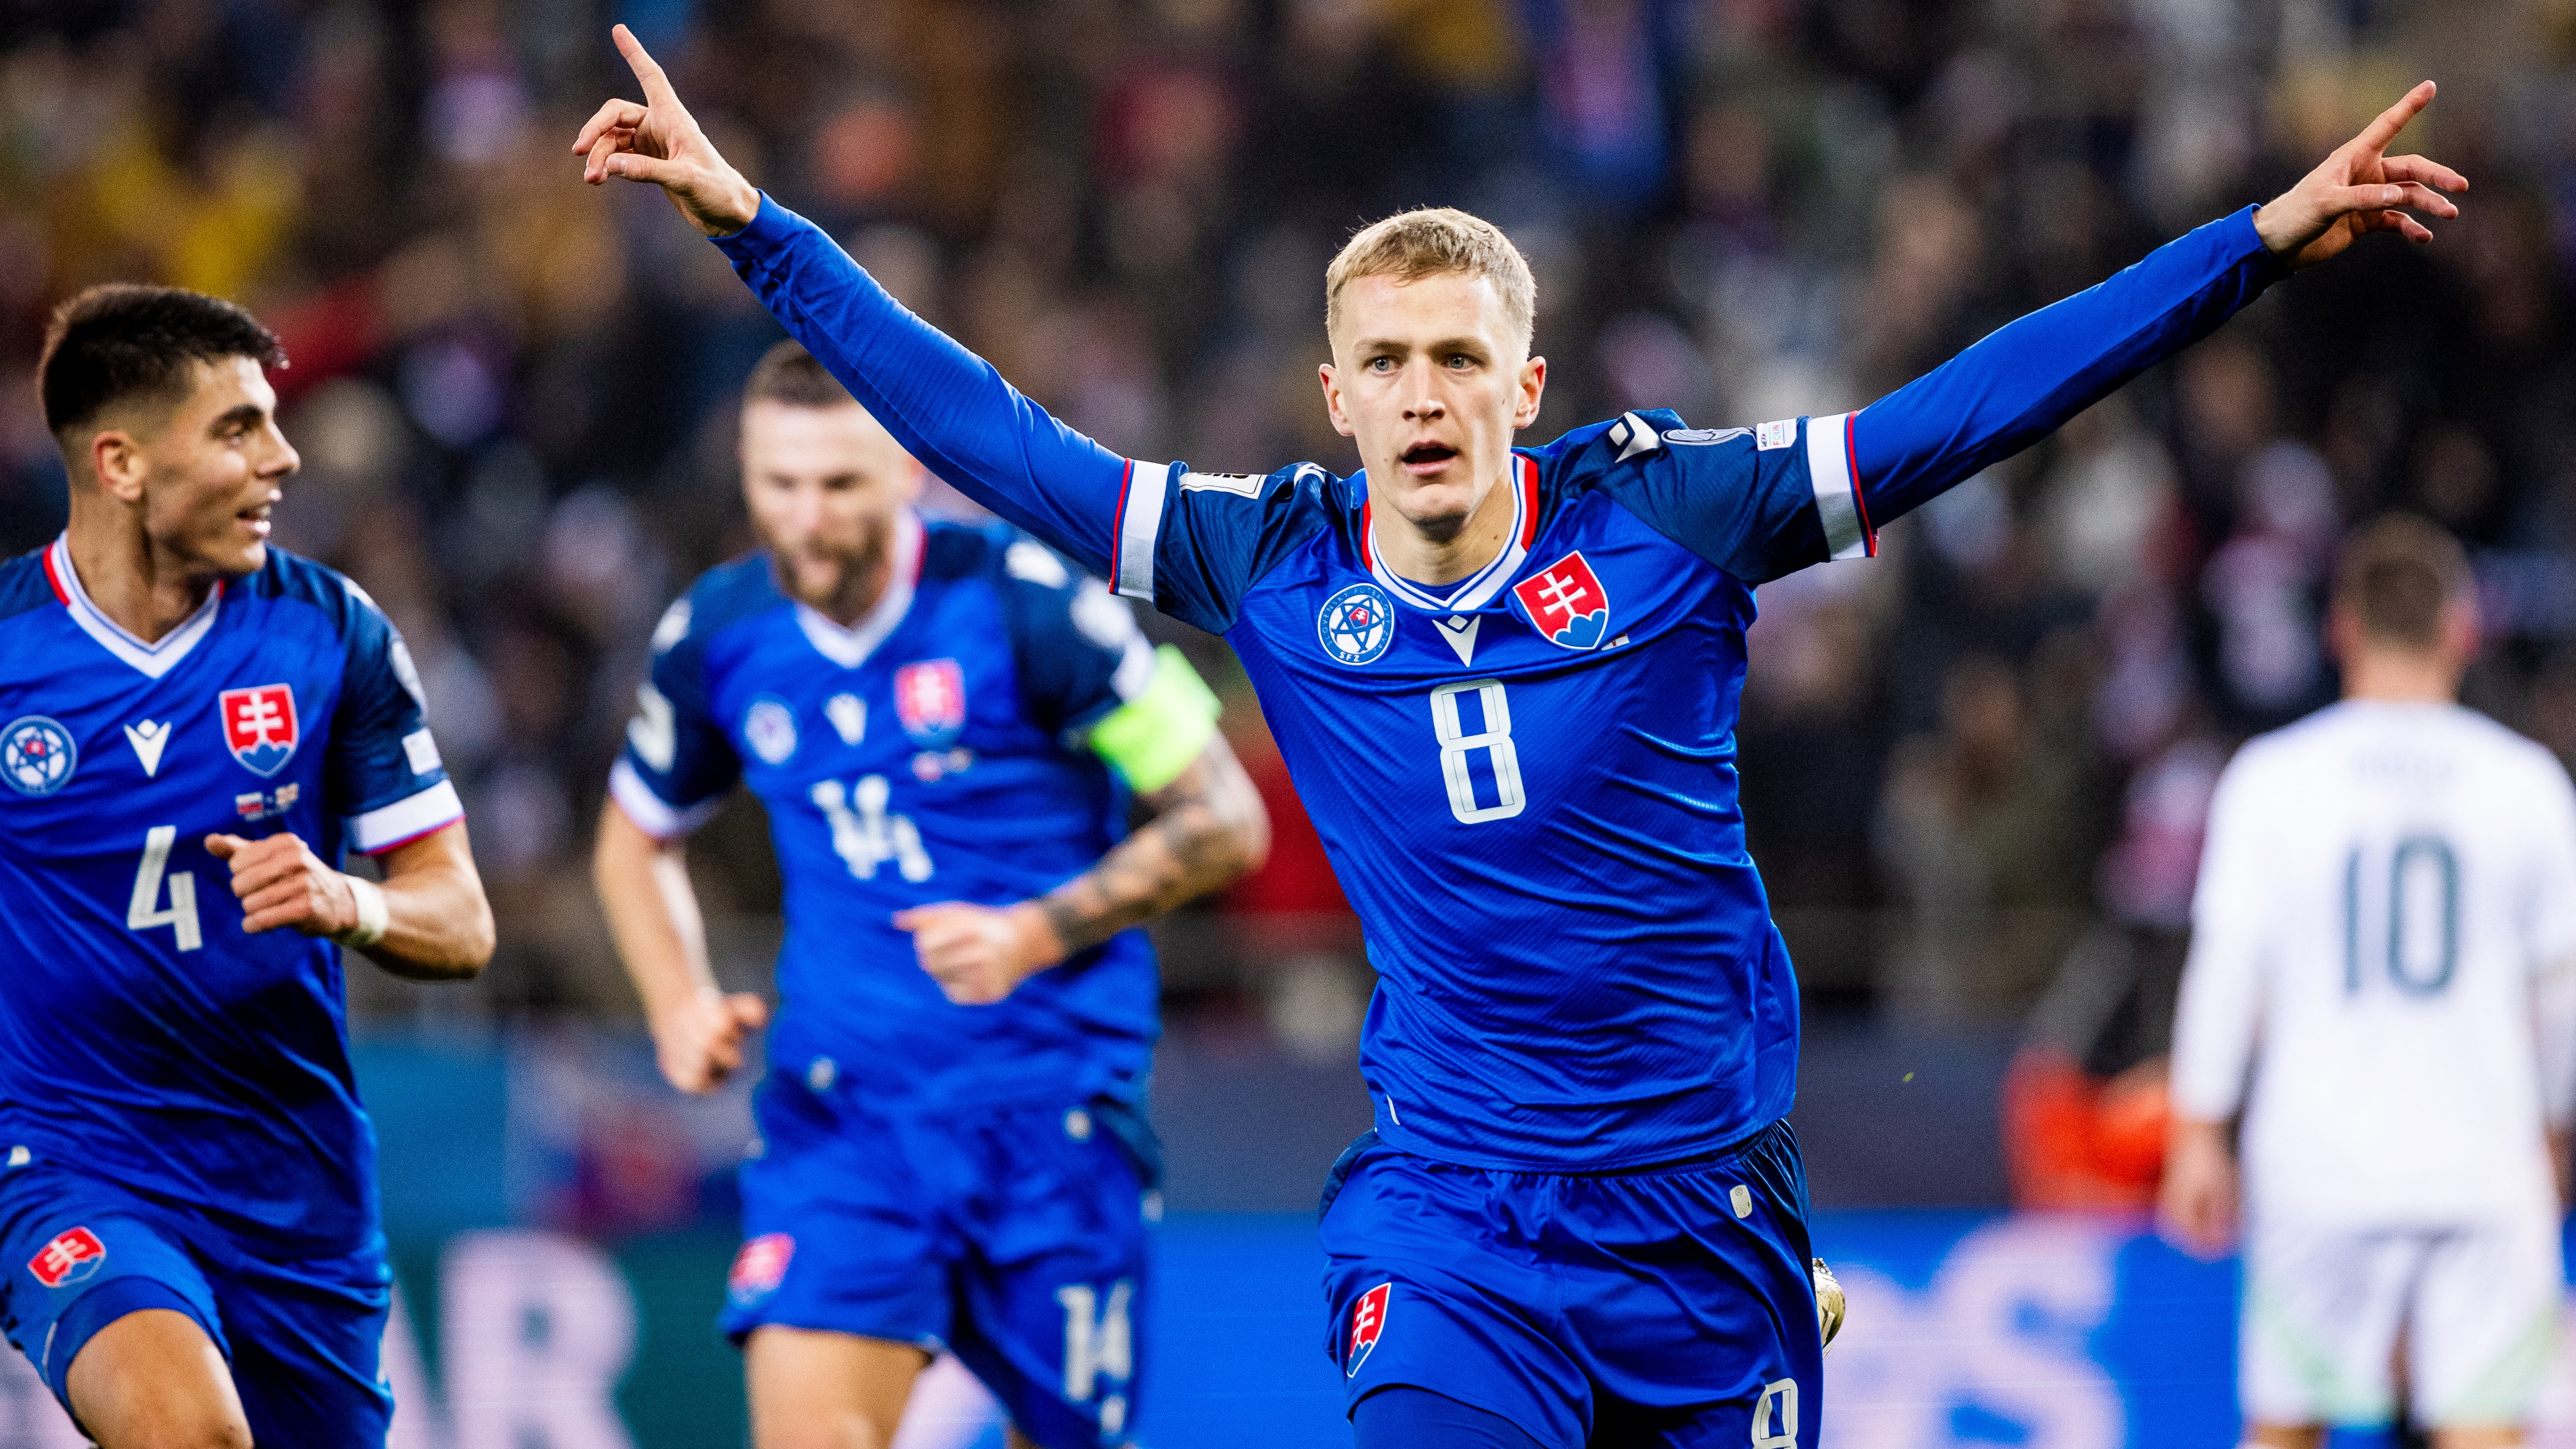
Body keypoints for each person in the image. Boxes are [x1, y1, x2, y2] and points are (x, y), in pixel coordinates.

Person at [572, 30, 2464, 1443]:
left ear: (1525, 382)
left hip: (1703, 1213)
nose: (1425, 397)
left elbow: (1970, 409)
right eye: (1386, 364)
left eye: (1461, 359)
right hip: (1454, 1211)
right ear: (1334, 393)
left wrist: (2253, 245)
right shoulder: (1268, 560)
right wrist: (756, 227)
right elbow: (989, 431)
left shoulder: (1674, 514)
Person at [592, 341, 1267, 1449]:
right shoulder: (719, 634)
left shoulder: (1027, 604)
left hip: (1053, 1118)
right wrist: (678, 1002)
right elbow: (634, 838)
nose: (807, 519)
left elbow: (1225, 818)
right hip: (847, 1121)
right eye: (779, 485)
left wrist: (1033, 933)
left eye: (839, 484)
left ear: (908, 470)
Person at [0, 284, 493, 1448]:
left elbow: (463, 920)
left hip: (292, 1186)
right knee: (190, 1432)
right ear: (121, 464)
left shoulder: (330, 633)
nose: (284, 456)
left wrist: (349, 899)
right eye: (239, 429)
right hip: (70, 1156)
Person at [2161, 515, 2576, 1449]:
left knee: (2285, 1432)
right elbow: (2562, 994)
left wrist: (2199, 1131)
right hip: (2481, 1162)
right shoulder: (2527, 785)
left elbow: (2229, 967)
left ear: (2341, 628)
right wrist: (2551, 1132)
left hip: (2317, 1162)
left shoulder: (2273, 779)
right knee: (2485, 1429)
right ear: (2464, 629)